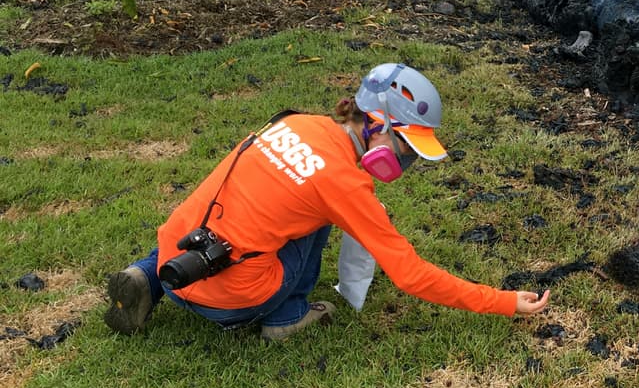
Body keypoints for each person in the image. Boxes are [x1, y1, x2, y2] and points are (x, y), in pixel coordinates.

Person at [104, 62, 550, 341]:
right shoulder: (344, 185)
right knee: (317, 219)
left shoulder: (293, 122)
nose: (408, 160)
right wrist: (504, 301)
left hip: (174, 259)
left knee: (234, 203)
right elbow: (411, 276)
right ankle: (288, 315)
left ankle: (144, 277)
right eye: (408, 147)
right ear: (378, 125)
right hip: (229, 303)